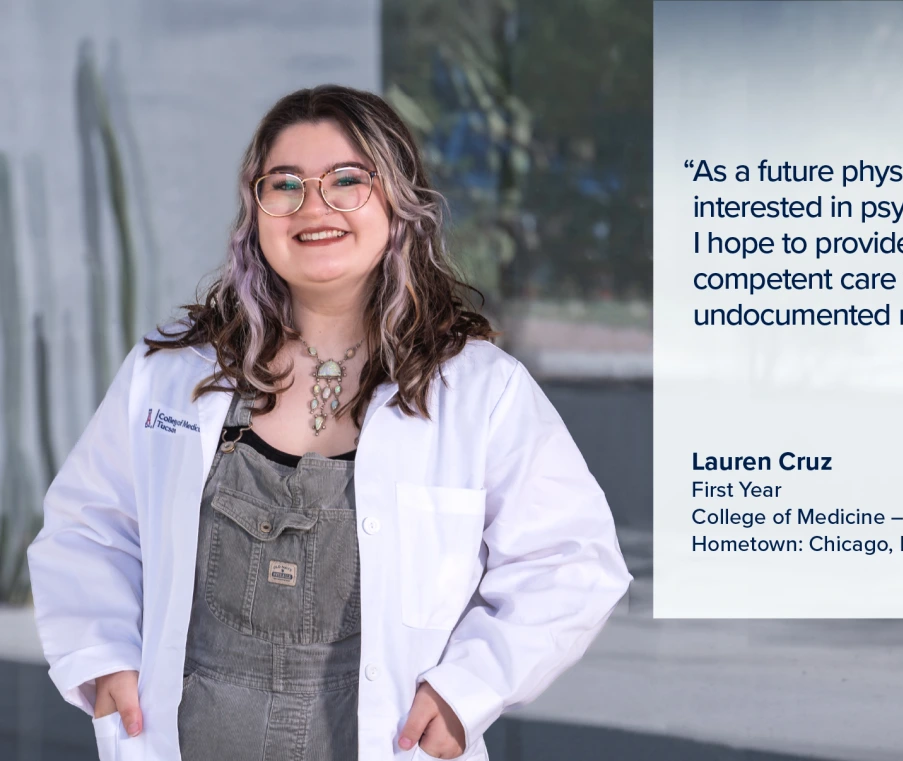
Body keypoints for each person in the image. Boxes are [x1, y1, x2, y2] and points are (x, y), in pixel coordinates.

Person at [27, 84, 633, 761]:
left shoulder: (479, 388)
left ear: (398, 201)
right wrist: (104, 659)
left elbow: (572, 560)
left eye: (348, 180)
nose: (314, 206)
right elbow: (86, 526)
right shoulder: (171, 369)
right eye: (284, 184)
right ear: (255, 211)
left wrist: (468, 689)